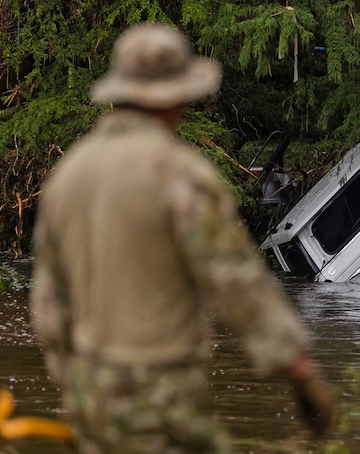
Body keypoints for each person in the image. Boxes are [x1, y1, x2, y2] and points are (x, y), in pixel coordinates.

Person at [29, 23, 333, 454]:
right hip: (162, 393)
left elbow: (48, 302)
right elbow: (236, 280)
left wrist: (72, 380)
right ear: (175, 98)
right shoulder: (179, 174)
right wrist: (298, 368)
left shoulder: (69, 174)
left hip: (88, 392)